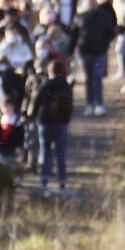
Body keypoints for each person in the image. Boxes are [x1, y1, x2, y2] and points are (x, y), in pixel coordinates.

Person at [70, 0, 116, 116]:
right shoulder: (79, 17)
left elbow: (111, 32)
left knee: (97, 78)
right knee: (89, 79)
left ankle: (99, 104)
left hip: (99, 53)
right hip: (86, 53)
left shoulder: (104, 16)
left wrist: (105, 44)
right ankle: (89, 104)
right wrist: (71, 52)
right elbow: (74, 36)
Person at [28, 59, 73, 192]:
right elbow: (70, 106)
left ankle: (44, 179)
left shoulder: (46, 84)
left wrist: (32, 116)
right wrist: (67, 120)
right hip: (61, 122)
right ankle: (62, 180)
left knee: (45, 151)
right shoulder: (66, 85)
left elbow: (36, 101)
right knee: (60, 152)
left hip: (45, 121)